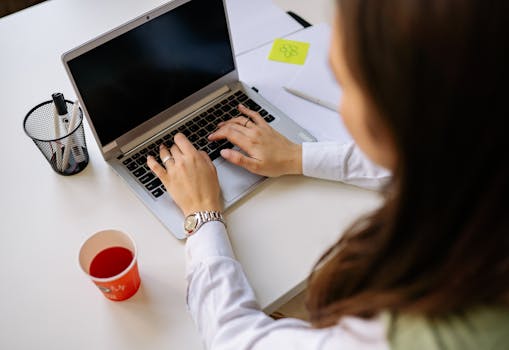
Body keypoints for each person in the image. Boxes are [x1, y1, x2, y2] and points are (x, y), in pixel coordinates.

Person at [147, 0, 509, 348]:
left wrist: (202, 215)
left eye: (344, 81)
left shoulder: (421, 333)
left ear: (400, 115)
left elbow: (234, 340)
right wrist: (296, 156)